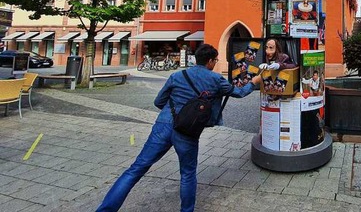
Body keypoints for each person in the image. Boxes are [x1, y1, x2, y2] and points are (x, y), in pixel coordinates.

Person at [96, 44, 261, 212]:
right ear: (210, 61)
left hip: (164, 125)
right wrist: (253, 82)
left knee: (136, 169)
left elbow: (158, 101)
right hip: (187, 130)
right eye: (215, 60)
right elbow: (239, 93)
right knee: (187, 174)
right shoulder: (215, 79)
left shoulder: (177, 75)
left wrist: (173, 110)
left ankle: (105, 210)